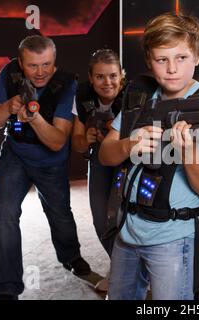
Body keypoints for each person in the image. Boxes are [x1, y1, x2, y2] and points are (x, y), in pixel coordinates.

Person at [98, 12, 199, 300]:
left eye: (181, 58)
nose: (172, 69)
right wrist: (128, 145)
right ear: (149, 61)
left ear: (196, 56)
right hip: (128, 230)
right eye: (162, 60)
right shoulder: (140, 97)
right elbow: (105, 155)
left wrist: (188, 151)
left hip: (174, 236)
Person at [0, 35, 91, 300]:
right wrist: (9, 107)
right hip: (15, 154)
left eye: (47, 64)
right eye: (33, 66)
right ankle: (7, 287)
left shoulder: (67, 84)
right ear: (21, 62)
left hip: (50, 164)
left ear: (54, 61)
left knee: (61, 217)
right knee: (5, 215)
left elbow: (56, 142)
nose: (41, 72)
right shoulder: (10, 72)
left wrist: (33, 118)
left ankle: (70, 256)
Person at [71, 49, 125, 292]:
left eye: (113, 76)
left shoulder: (135, 95)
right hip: (98, 161)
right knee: (101, 221)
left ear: (122, 76)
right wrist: (89, 137)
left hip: (128, 162)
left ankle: (126, 273)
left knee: (126, 220)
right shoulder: (81, 95)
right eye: (100, 77)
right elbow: (77, 143)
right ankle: (121, 268)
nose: (107, 82)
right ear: (91, 79)